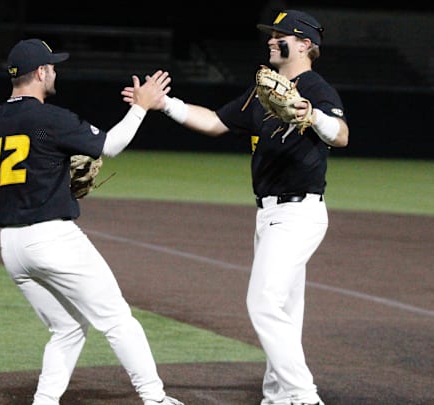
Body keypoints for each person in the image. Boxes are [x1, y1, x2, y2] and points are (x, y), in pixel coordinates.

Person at [123, 9, 348, 405]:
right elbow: (214, 121)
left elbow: (341, 134)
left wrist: (312, 115)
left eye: (280, 36)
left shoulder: (313, 86)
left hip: (298, 212)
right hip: (269, 214)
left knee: (261, 303)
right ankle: (279, 396)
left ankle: (304, 396)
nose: (270, 41)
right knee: (285, 312)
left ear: (305, 45)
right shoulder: (266, 89)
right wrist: (165, 104)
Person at [0, 38, 182, 405]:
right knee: (117, 318)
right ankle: (155, 398)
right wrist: (140, 108)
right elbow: (110, 145)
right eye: (52, 66)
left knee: (67, 327)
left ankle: (44, 401)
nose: (55, 71)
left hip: (11, 245)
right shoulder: (48, 118)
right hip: (52, 238)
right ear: (40, 72)